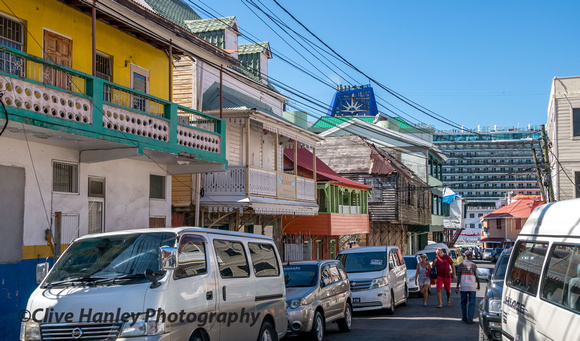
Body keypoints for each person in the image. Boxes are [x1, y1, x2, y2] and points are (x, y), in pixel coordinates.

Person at [455, 250, 480, 324]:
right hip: (472, 287)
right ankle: (470, 319)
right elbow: (477, 276)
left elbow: (459, 277)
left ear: (464, 256)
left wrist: (457, 287)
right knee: (471, 303)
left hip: (463, 287)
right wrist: (478, 284)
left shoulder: (460, 265)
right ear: (470, 257)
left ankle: (464, 318)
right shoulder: (474, 265)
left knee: (463, 303)